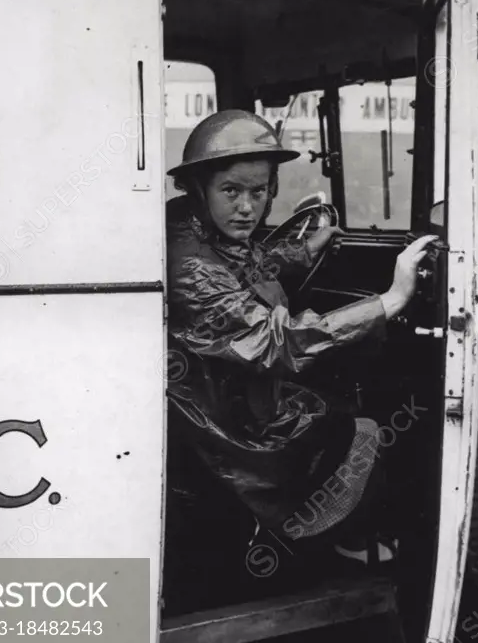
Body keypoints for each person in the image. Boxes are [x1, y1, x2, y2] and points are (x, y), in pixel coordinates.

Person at [166, 109, 437, 565]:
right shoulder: (192, 268)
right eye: (230, 191)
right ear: (200, 188)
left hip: (225, 391)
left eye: (259, 191)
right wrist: (389, 301)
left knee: (331, 401)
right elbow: (278, 343)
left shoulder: (197, 226)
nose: (247, 207)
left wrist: (302, 249)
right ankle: (330, 538)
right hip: (222, 426)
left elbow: (246, 266)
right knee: (359, 425)